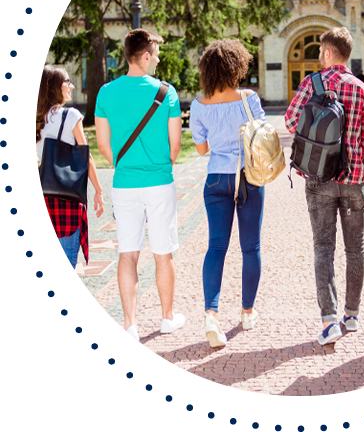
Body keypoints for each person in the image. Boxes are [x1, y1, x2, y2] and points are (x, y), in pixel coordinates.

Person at [285, 27, 364, 345]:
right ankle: (351, 315)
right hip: (353, 181)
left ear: (326, 53)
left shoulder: (312, 83)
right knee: (356, 249)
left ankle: (329, 321)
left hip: (320, 178)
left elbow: (290, 121)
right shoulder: (363, 90)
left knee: (324, 249)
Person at [95, 28, 184, 349]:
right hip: (159, 181)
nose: (158, 60)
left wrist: (125, 165)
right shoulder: (166, 93)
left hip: (124, 184)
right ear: (145, 56)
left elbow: (103, 145)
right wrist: (161, 162)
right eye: (156, 54)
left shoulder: (106, 92)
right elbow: (176, 146)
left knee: (127, 254)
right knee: (163, 253)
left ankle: (130, 326)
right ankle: (167, 317)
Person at [21, 65, 105, 356]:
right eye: (68, 81)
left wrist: (24, 200)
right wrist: (98, 189)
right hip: (67, 195)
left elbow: (26, 167)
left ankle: (43, 321)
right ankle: (45, 323)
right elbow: (86, 155)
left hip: (40, 195)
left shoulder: (31, 120)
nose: (71, 86)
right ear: (56, 87)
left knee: (52, 259)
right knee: (67, 259)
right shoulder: (71, 116)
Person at [190, 39, 265, 348]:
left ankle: (211, 314)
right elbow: (262, 136)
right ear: (237, 66)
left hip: (217, 177)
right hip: (248, 176)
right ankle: (247, 312)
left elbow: (201, 148)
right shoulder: (249, 98)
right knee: (251, 248)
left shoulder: (198, 104)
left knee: (216, 248)